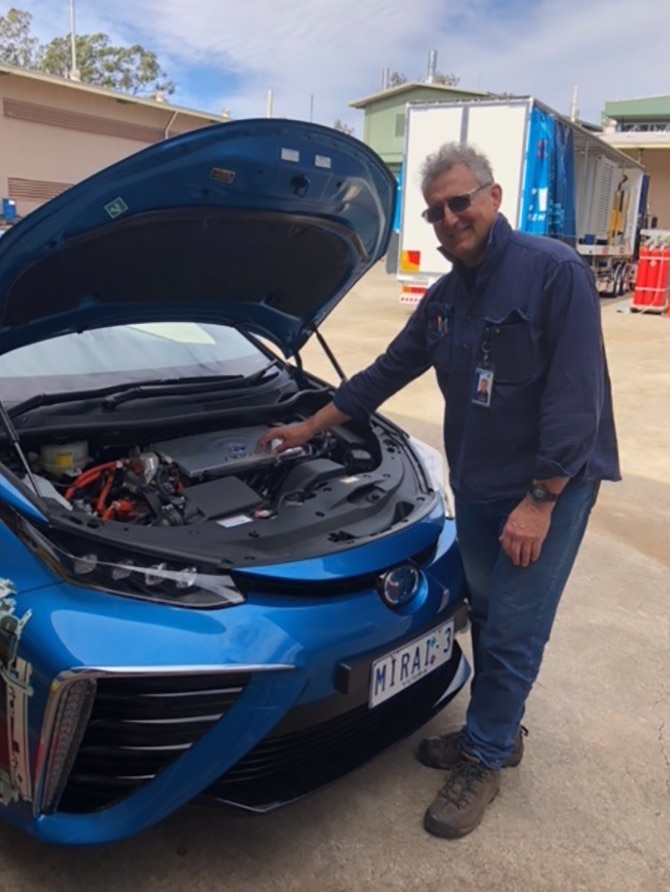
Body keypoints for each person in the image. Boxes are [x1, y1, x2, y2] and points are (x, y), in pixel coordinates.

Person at [258, 142, 619, 839]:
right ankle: (497, 730)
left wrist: (541, 501)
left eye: (460, 202)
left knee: (514, 628)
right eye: (435, 212)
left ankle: (483, 758)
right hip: (480, 485)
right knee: (484, 613)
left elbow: (578, 401)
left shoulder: (554, 273)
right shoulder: (447, 297)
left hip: (546, 489)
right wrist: (308, 427)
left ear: (493, 197)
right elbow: (385, 371)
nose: (450, 218)